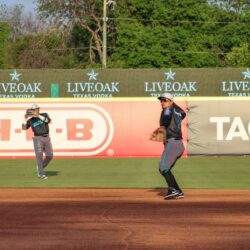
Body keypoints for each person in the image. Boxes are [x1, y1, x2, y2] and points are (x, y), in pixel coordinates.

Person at [157, 93, 186, 199]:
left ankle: (173, 190)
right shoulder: (178, 111)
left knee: (163, 167)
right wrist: (174, 104)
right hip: (178, 145)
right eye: (161, 100)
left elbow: (166, 117)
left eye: (165, 100)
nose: (162, 102)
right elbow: (183, 113)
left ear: (170, 101)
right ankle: (177, 191)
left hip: (172, 143)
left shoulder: (167, 110)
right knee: (165, 168)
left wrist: (163, 125)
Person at [22, 104, 53, 179]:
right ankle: (41, 173)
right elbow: (23, 128)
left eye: (37, 109)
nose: (36, 110)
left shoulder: (44, 114)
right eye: (34, 109)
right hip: (37, 138)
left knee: (49, 155)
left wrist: (38, 115)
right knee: (39, 156)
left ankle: (40, 167)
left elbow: (48, 120)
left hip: (46, 137)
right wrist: (25, 119)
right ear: (32, 110)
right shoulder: (31, 120)